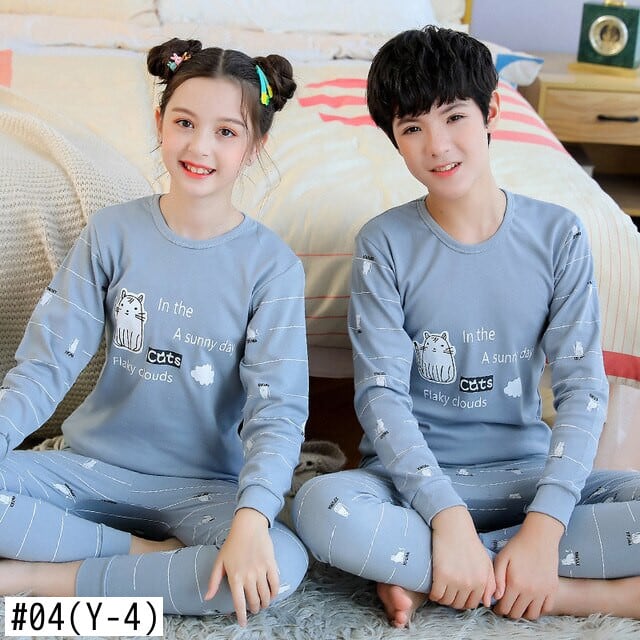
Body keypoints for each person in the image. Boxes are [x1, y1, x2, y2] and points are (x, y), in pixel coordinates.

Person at [293, 26, 640, 628]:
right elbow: (380, 397)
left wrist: (544, 528)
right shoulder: (383, 244)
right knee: (320, 507)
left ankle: (463, 578)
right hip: (408, 487)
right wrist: (447, 518)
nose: (438, 145)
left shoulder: (559, 234)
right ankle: (523, 579)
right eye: (412, 128)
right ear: (393, 139)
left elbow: (583, 390)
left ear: (492, 112)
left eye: (454, 117)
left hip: (525, 478)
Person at [0, 37, 309, 626]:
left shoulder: (273, 267)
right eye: (184, 122)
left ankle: (35, 580)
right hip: (87, 468)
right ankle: (141, 558)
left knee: (281, 565)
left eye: (226, 132)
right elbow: (44, 368)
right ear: (159, 121)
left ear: (255, 146)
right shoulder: (111, 232)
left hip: (203, 488)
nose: (199, 146)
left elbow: (278, 411)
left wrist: (251, 521)